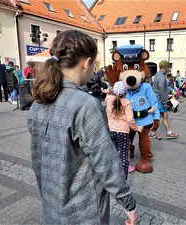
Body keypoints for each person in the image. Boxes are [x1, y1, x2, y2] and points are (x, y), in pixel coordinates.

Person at [27, 30, 138, 224]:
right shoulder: (85, 105)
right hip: (84, 212)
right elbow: (106, 162)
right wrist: (129, 204)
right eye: (94, 65)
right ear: (86, 63)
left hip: (52, 206)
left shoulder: (38, 103)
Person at [105, 81, 143, 179]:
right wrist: (137, 128)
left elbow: (108, 95)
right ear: (125, 92)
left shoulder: (109, 99)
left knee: (111, 154)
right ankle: (123, 179)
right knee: (124, 156)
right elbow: (130, 120)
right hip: (123, 132)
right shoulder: (127, 103)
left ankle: (110, 176)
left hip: (111, 131)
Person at [151, 60, 178, 139]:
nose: (169, 69)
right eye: (168, 67)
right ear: (165, 67)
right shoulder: (162, 77)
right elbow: (161, 90)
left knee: (165, 116)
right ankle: (152, 132)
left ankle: (169, 132)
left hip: (159, 99)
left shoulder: (157, 75)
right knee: (158, 118)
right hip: (160, 100)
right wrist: (164, 102)